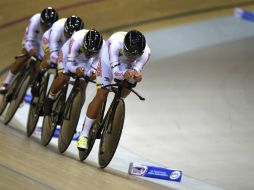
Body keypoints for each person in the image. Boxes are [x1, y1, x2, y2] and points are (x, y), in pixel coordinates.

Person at [77, 30, 151, 150]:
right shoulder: (115, 44)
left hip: (125, 65)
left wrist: (137, 75)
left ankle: (116, 105)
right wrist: (125, 74)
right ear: (124, 47)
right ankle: (84, 134)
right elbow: (116, 73)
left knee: (130, 83)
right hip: (109, 61)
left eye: (135, 55)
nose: (132, 57)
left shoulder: (146, 53)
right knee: (102, 94)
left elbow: (136, 69)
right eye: (129, 53)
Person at [43, 29, 104, 115]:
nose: (89, 53)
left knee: (83, 84)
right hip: (68, 55)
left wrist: (92, 73)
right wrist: (76, 69)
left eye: (92, 52)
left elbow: (94, 67)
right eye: (87, 50)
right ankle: (50, 97)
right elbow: (68, 65)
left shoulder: (102, 49)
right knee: (63, 77)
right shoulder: (77, 40)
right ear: (83, 44)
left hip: (86, 61)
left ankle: (75, 114)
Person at [0, 7, 59, 94]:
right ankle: (7, 82)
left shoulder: (56, 29)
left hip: (43, 43)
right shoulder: (35, 20)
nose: (46, 27)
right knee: (24, 55)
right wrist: (31, 50)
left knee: (39, 66)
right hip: (32, 39)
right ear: (41, 21)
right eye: (44, 25)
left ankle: (24, 91)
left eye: (48, 26)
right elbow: (28, 42)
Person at [31, 15, 84, 96]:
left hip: (64, 48)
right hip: (51, 42)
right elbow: (53, 47)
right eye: (67, 33)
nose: (69, 36)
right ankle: (38, 78)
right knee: (49, 58)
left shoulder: (81, 36)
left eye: (71, 36)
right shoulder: (58, 26)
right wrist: (55, 58)